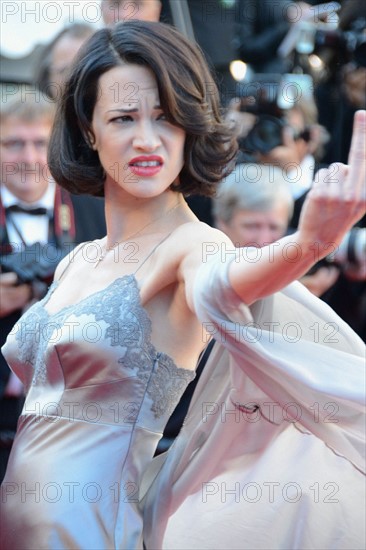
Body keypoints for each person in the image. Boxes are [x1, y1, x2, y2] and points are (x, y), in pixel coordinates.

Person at [0, 20, 365, 550]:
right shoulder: (76, 260)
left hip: (90, 532)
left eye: (167, 119)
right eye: (124, 118)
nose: (147, 139)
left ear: (190, 127)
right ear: (88, 129)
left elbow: (225, 288)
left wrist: (309, 242)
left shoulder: (194, 245)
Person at [0, 88, 105, 482]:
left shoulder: (98, 212)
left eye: (39, 144)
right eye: (13, 144)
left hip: (74, 411)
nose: (27, 159)